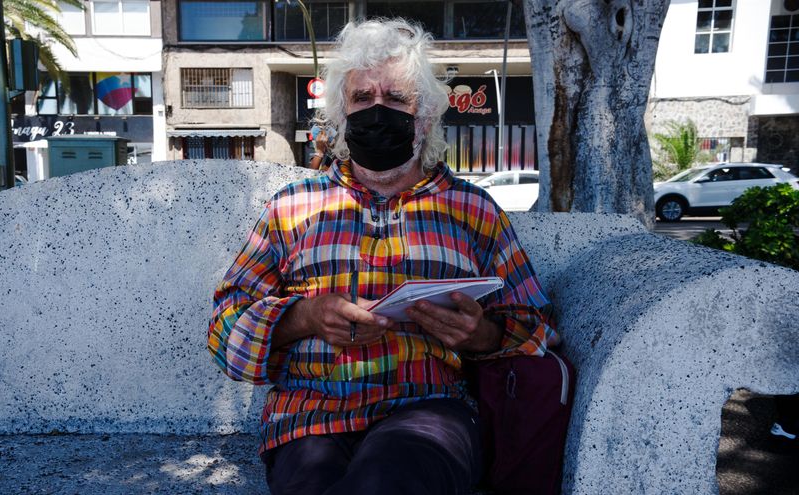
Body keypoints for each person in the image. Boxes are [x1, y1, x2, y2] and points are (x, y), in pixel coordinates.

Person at [208, 18, 558, 495]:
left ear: (427, 116)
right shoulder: (289, 208)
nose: (377, 111)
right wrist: (304, 316)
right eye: (361, 99)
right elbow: (224, 328)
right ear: (340, 114)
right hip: (308, 417)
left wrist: (481, 334)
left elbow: (535, 326)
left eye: (395, 99)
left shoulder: (475, 211)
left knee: (389, 481)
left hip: (430, 411)